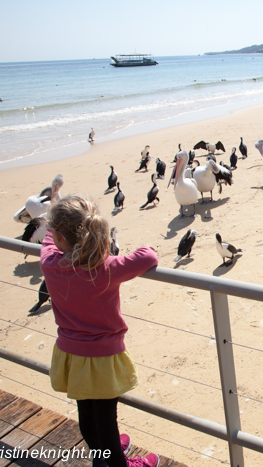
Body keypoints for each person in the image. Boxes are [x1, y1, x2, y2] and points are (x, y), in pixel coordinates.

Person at [42, 195, 160, 467]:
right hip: (104, 358)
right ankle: (120, 463)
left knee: (87, 415)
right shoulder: (105, 268)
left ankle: (103, 452)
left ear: (59, 237)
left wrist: (54, 230)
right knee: (106, 420)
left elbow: (48, 242)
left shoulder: (50, 263)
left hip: (71, 354)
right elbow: (148, 255)